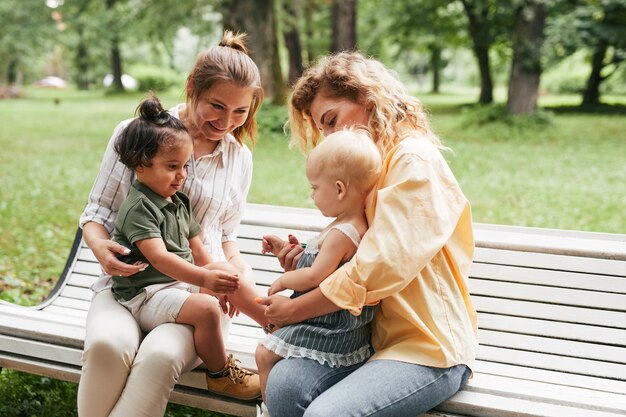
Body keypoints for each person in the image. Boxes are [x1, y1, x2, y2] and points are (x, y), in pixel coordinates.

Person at [258, 51, 478, 417]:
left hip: (427, 348)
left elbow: (379, 265)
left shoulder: (413, 160)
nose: (331, 136)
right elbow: (348, 245)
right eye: (324, 130)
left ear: (367, 97)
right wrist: (304, 256)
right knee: (284, 388)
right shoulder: (370, 168)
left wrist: (295, 309)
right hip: (368, 343)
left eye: (332, 120)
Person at [77, 31, 265, 417]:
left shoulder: (239, 158)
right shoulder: (140, 136)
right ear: (193, 87)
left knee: (160, 356)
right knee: (107, 347)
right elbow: (97, 214)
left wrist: (234, 272)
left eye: (240, 112)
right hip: (126, 286)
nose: (226, 121)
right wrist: (100, 249)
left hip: (195, 296)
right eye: (216, 105)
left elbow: (225, 237)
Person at [110, 95, 263, 400]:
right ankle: (220, 374)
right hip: (145, 294)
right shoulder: (139, 207)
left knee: (227, 270)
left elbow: (200, 251)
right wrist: (206, 282)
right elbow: (160, 258)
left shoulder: (178, 200)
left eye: (184, 166)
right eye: (172, 167)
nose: (181, 175)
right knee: (206, 308)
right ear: (141, 165)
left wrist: (220, 277)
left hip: (175, 285)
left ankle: (274, 325)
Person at [255, 129, 383, 416]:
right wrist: (285, 251)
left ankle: (268, 411)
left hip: (329, 328)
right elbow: (320, 263)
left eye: (314, 188)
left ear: (339, 188)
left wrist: (283, 280)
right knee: (267, 351)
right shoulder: (345, 224)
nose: (311, 195)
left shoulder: (343, 232)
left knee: (264, 354)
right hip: (323, 318)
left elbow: (316, 276)